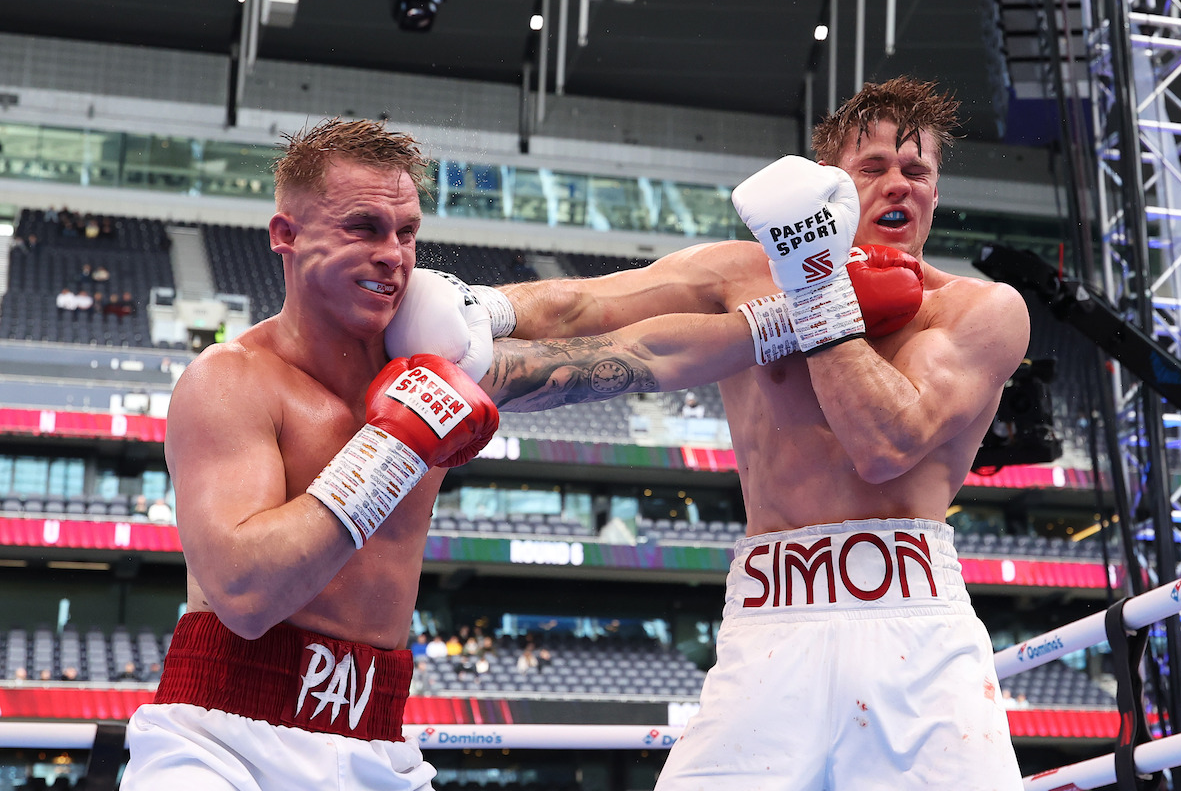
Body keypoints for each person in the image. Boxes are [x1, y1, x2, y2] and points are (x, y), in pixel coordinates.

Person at [121, 118, 761, 791]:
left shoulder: (440, 367)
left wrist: (791, 319)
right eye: (364, 228)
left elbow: (633, 347)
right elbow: (245, 595)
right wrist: (396, 443)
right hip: (220, 743)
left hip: (376, 742)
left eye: (406, 232)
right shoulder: (230, 381)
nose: (392, 255)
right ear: (287, 235)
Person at [495, 77, 1029, 788]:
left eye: (917, 171)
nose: (899, 184)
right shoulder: (741, 274)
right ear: (827, 185)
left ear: (935, 192)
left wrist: (816, 290)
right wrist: (473, 309)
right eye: (873, 167)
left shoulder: (978, 311)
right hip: (772, 620)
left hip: (915, 630)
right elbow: (579, 305)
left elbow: (886, 445)